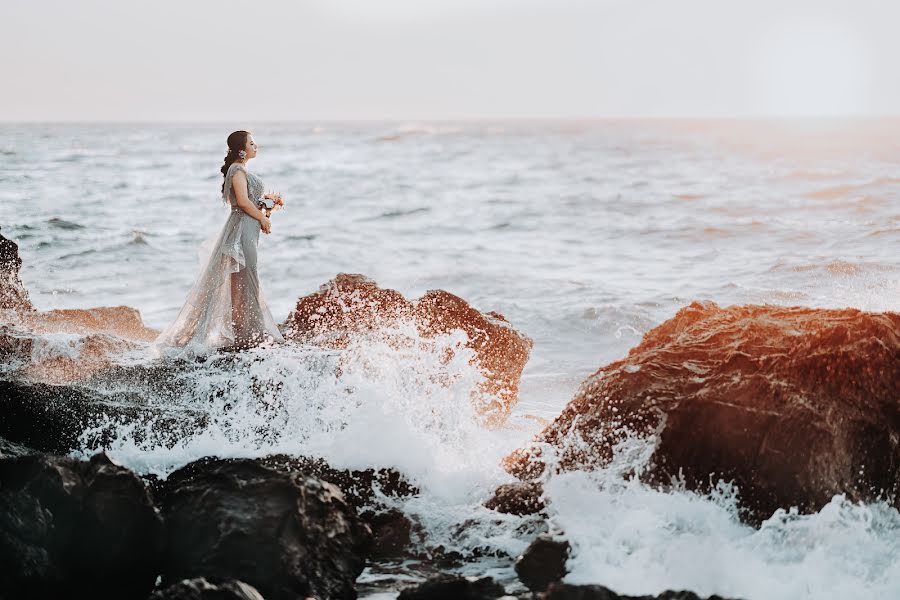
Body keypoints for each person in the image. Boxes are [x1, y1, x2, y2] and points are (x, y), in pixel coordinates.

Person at [153, 130, 286, 358]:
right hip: (242, 229)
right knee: (245, 279)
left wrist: (267, 208)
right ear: (242, 149)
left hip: (248, 228)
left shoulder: (241, 170)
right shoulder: (237, 170)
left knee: (245, 278)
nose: (256, 146)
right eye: (252, 143)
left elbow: (249, 203)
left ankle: (245, 332)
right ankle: (246, 333)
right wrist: (263, 217)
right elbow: (243, 203)